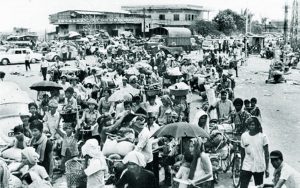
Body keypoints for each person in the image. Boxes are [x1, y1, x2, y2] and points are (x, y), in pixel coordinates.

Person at [240, 116, 269, 188]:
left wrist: (267, 168)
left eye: (253, 124)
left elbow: (267, 154)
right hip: (247, 165)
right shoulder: (244, 136)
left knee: (259, 186)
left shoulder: (263, 136)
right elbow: (242, 153)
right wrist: (241, 165)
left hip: (259, 166)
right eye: (249, 125)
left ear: (257, 125)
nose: (251, 126)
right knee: (243, 186)